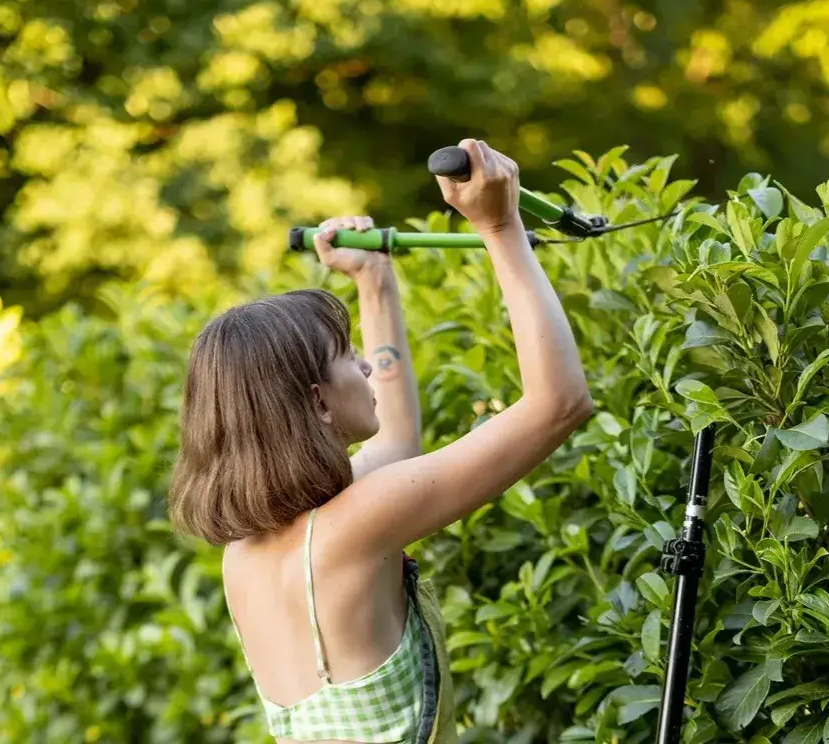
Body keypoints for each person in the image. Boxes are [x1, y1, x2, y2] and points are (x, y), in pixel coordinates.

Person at [168, 140, 593, 744]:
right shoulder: (357, 524)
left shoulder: (249, 554)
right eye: (348, 356)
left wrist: (374, 281)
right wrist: (500, 228)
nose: (367, 366)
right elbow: (559, 404)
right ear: (318, 402)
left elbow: (396, 442)